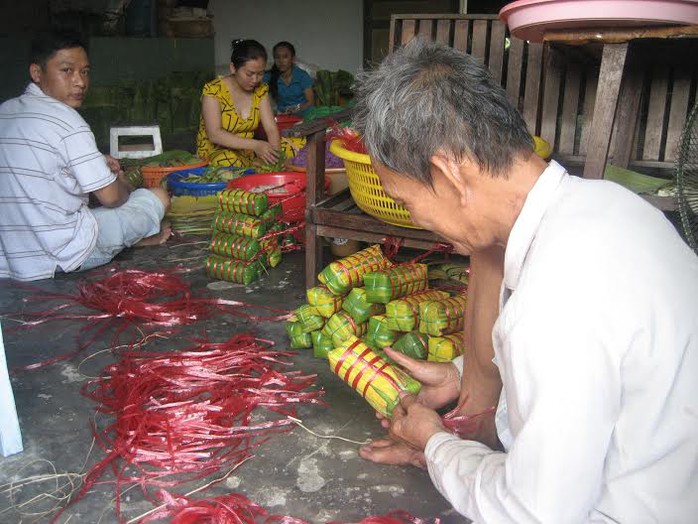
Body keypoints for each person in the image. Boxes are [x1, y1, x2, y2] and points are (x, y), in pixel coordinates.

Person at [352, 39, 698, 523]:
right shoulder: (610, 205)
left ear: (448, 175)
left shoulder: (553, 304)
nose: (416, 221)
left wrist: (432, 444)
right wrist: (459, 372)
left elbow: (534, 513)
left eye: (408, 202)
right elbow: (607, 362)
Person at [0, 30, 171, 282]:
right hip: (64, 254)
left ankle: (127, 240)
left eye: (85, 72)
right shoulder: (69, 122)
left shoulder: (6, 111)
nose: (80, 82)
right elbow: (112, 198)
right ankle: (131, 241)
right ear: (37, 73)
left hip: (11, 258)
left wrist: (95, 163)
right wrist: (123, 183)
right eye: (67, 71)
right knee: (157, 197)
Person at [196, 39, 282, 168]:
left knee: (293, 146)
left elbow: (270, 129)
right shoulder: (213, 91)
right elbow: (214, 134)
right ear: (233, 68)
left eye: (260, 74)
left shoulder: (260, 89)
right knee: (228, 161)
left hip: (247, 153)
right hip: (217, 154)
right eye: (249, 74)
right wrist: (256, 145)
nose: (255, 80)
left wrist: (276, 159)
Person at [264, 41, 314, 117]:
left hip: (304, 113)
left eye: (285, 57)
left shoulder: (302, 76)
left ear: (293, 59)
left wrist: (293, 110)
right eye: (277, 57)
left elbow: (310, 102)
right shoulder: (269, 77)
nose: (281, 61)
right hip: (281, 115)